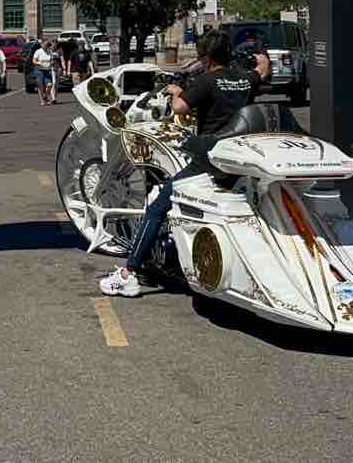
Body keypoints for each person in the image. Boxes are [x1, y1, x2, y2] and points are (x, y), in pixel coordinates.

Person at [99, 29, 270, 298]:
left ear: (206, 58)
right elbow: (262, 70)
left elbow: (180, 108)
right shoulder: (245, 79)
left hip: (211, 159)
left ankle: (129, 273)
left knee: (158, 206)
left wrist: (175, 92)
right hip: (241, 158)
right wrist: (261, 58)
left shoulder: (206, 81)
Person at [32, 39, 56, 105]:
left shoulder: (50, 51)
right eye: (44, 44)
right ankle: (42, 100)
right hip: (39, 70)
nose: (45, 46)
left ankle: (45, 95)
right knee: (40, 85)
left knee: (50, 84)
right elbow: (34, 61)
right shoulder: (38, 51)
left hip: (47, 70)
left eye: (47, 45)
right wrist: (39, 63)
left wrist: (51, 63)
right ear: (41, 44)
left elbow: (52, 60)